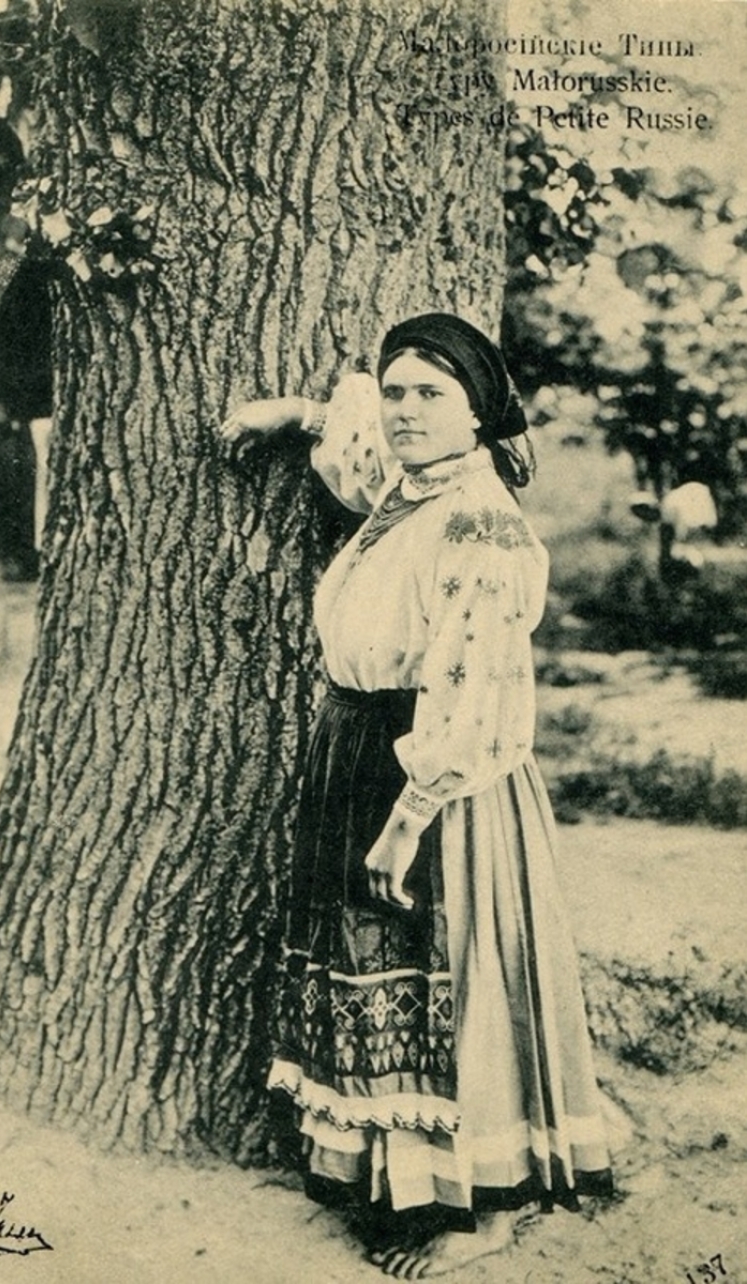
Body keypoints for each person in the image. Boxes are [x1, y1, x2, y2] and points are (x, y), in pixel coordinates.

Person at [220, 313, 613, 1278]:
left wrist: (407, 822)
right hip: (363, 749)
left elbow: (475, 693)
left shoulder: (478, 523)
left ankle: (485, 1203)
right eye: (393, 390)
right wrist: (300, 414)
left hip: (442, 777)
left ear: (479, 414)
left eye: (429, 395)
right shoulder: (410, 488)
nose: (401, 411)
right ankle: (399, 1175)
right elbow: (359, 458)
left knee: (454, 968)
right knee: (374, 962)